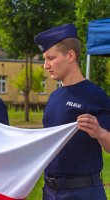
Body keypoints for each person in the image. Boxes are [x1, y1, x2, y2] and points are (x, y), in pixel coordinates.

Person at [34, 24, 110, 199]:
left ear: (70, 56)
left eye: (51, 58)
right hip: (50, 192)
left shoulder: (95, 95)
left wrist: (99, 132)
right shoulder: (54, 97)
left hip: (82, 193)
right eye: (45, 59)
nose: (46, 65)